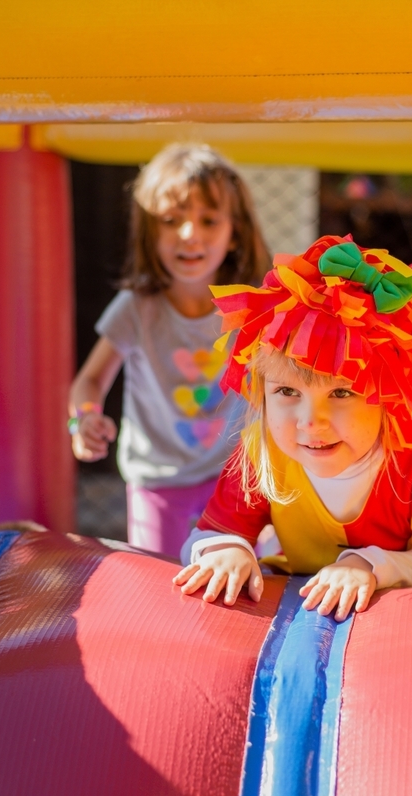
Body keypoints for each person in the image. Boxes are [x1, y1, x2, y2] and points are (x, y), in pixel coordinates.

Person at [173, 235, 412, 621]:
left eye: (342, 393)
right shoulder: (264, 449)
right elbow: (206, 535)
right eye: (288, 391)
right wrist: (227, 550)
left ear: (391, 393)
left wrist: (366, 566)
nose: (310, 421)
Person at [69, 144, 270, 557]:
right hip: (157, 479)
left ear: (234, 232)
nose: (189, 234)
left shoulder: (249, 306)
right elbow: (90, 379)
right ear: (149, 230)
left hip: (232, 476)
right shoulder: (138, 307)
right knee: (157, 577)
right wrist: (83, 420)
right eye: (170, 220)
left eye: (208, 220)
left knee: (249, 567)